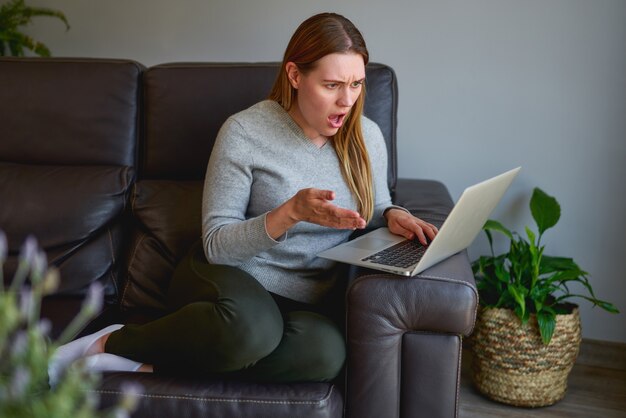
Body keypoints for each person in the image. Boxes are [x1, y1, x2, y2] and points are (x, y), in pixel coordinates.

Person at [48, 12, 438, 386]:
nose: (347, 100)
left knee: (324, 355)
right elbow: (217, 245)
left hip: (309, 292)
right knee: (252, 332)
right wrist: (290, 213)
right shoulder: (244, 132)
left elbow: (378, 204)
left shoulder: (366, 136)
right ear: (295, 76)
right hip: (230, 272)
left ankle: (140, 364)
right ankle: (113, 340)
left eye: (356, 84)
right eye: (332, 85)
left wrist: (393, 216)